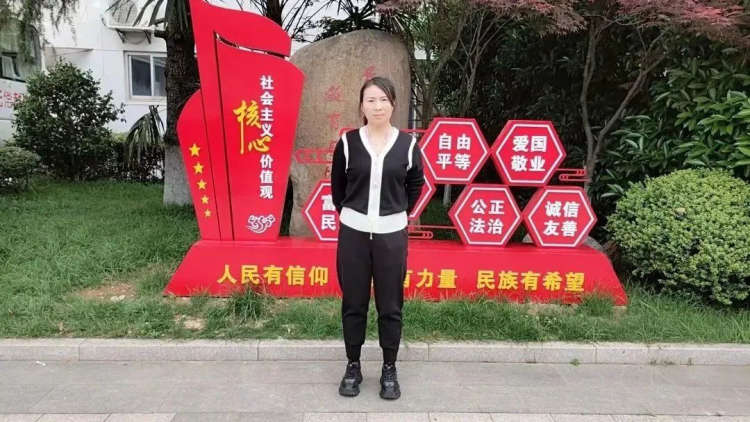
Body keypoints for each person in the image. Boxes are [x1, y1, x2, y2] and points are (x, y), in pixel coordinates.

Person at [330, 76, 424, 400]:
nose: (377, 106)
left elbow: (415, 185)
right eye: (371, 100)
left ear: (393, 104)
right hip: (354, 234)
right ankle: (353, 366)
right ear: (361, 105)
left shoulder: (407, 145)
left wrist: (395, 212)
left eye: (383, 100)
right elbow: (338, 189)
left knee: (390, 305)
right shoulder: (348, 143)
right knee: (353, 302)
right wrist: (354, 214)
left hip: (391, 237)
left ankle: (389, 368)